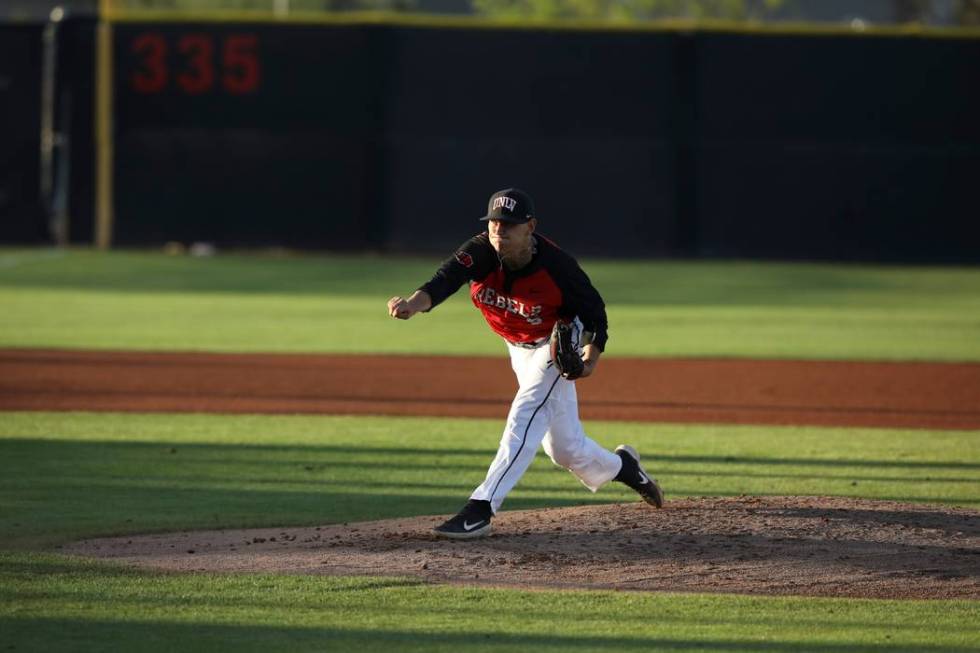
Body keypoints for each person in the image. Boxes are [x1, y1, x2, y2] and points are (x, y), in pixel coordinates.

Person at [386, 188, 664, 539]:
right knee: (565, 450)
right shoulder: (480, 252)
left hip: (557, 341)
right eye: (494, 223)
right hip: (517, 347)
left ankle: (482, 507)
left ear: (530, 226)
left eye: (509, 225)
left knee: (526, 409)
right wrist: (413, 304)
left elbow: (595, 316)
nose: (499, 231)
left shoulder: (558, 267)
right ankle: (625, 468)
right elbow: (443, 281)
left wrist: (589, 360)